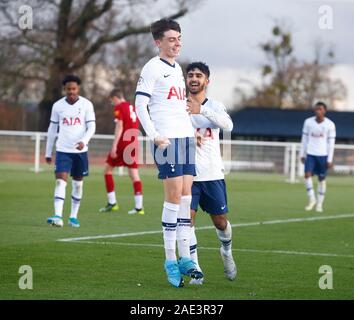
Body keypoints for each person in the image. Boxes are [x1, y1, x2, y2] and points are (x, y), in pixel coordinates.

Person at [135, 19, 203, 288]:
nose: (177, 43)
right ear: (158, 42)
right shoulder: (152, 68)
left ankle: (186, 257)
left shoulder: (177, 69)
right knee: (173, 200)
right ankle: (170, 260)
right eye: (172, 39)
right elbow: (140, 105)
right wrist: (154, 135)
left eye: (179, 38)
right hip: (167, 141)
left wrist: (192, 130)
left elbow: (179, 107)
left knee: (186, 199)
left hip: (185, 138)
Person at [185, 62, 237, 284]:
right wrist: (188, 137)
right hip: (187, 174)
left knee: (220, 222)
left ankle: (226, 251)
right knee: (186, 222)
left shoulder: (215, 105)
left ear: (207, 80)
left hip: (212, 174)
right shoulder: (178, 106)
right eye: (190, 75)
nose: (194, 79)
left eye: (199, 75)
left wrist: (202, 109)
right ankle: (196, 268)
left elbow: (228, 125)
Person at [45, 75, 96, 228]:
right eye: (68, 89)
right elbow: (52, 129)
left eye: (74, 89)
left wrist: (84, 141)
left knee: (78, 184)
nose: (71, 92)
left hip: (80, 152)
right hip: (63, 150)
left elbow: (92, 127)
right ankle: (58, 216)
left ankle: (73, 216)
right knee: (60, 181)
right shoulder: (57, 106)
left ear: (78, 89)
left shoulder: (87, 105)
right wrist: (48, 152)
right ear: (64, 89)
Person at [99, 89, 144, 215]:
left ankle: (112, 203)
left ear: (115, 97)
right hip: (134, 143)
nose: (112, 103)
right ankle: (139, 207)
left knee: (107, 171)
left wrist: (114, 145)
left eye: (112, 100)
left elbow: (120, 126)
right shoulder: (132, 107)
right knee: (134, 175)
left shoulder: (119, 107)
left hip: (123, 144)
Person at [300, 101, 336, 212]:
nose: (318, 111)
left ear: (324, 111)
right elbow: (304, 139)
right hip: (310, 153)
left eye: (320, 109)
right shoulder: (308, 122)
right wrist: (302, 153)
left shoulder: (330, 124)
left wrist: (329, 159)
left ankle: (320, 203)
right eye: (316, 109)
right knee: (307, 175)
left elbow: (331, 143)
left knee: (321, 179)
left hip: (323, 155)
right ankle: (312, 199)